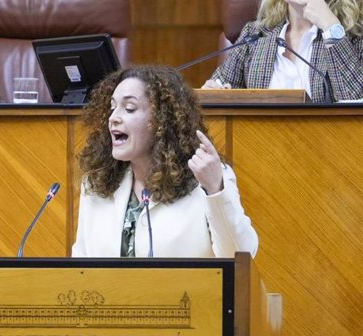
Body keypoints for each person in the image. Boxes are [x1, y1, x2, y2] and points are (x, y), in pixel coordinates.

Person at [71, 65, 258, 258]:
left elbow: (240, 256)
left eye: (129, 108)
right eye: (112, 108)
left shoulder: (206, 180)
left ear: (161, 120)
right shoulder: (97, 183)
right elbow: (80, 263)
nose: (113, 118)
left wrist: (216, 190)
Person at [203, 0, 363, 103]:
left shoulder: (353, 34)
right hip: (259, 148)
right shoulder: (255, 35)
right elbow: (218, 91)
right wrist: (212, 94)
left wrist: (330, 26)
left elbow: (355, 106)